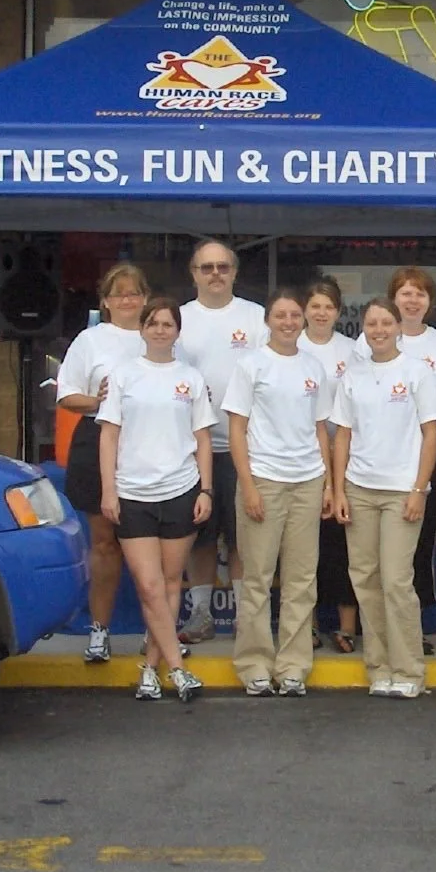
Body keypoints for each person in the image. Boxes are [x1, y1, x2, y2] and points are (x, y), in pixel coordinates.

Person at [96, 296, 215, 704]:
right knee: (148, 587)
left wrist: (206, 489)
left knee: (168, 585)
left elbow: (202, 439)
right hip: (132, 494)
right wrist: (109, 489)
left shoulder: (191, 378)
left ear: (177, 332)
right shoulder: (124, 375)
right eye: (154, 323)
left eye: (168, 324)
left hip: (181, 491)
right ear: (143, 329)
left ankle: (150, 668)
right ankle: (179, 671)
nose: (161, 330)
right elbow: (109, 434)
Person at [223, 289, 334, 697]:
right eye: (281, 315)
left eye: (294, 315)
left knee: (302, 580)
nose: (288, 322)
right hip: (265, 480)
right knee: (258, 578)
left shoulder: (313, 367)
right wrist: (248, 485)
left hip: (307, 480)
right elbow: (237, 428)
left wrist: (326, 484)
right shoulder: (251, 365)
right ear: (268, 321)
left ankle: (293, 665)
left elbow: (321, 427)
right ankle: (253, 662)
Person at [332, 297, 436, 699]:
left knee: (397, 581)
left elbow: (432, 432)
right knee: (365, 579)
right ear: (363, 329)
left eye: (385, 323)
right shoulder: (353, 375)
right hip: (360, 489)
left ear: (398, 326)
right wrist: (339, 488)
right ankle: (378, 666)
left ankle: (410, 670)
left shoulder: (417, 372)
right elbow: (343, 433)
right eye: (371, 324)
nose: (378, 330)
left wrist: (419, 489)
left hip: (402, 491)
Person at [355, 266, 436, 636]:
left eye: (420, 293)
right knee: (373, 558)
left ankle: (418, 626)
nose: (412, 299)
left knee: (419, 547)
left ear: (429, 302)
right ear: (393, 300)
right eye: (405, 292)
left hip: (430, 458)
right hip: (375, 464)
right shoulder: (367, 343)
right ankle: (379, 628)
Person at [54, 263, 150, 665]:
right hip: (97, 441)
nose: (127, 300)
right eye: (119, 293)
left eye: (134, 293)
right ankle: (100, 631)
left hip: (150, 445)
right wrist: (99, 401)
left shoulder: (162, 336)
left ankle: (156, 633)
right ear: (106, 301)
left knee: (153, 549)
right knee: (105, 543)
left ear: (145, 298)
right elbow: (65, 396)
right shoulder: (89, 341)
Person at [176, 239, 267, 642]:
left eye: (223, 267)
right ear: (193, 273)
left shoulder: (255, 317)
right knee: (200, 535)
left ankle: (247, 618)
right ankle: (200, 614)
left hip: (245, 448)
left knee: (243, 536)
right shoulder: (177, 320)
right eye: (206, 267)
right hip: (192, 449)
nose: (215, 274)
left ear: (234, 272)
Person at [299, 277, 361, 652]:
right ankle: (304, 625)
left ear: (338, 312)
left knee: (343, 545)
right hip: (300, 458)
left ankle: (346, 626)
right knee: (304, 550)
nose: (321, 313)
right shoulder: (291, 347)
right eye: (315, 306)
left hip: (345, 458)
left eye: (328, 306)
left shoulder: (353, 351)